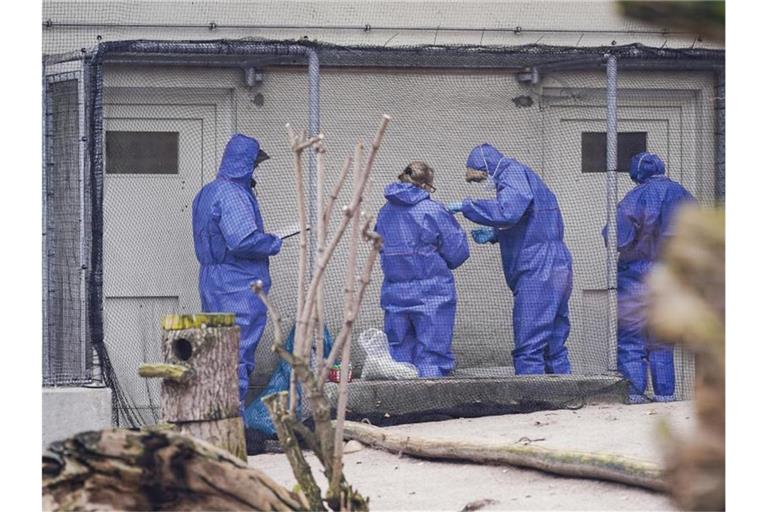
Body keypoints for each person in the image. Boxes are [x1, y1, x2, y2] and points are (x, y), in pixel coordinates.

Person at [447, 143, 572, 375]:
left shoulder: (511, 173)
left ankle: (533, 400)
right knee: (553, 342)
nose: (479, 185)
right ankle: (565, 396)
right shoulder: (526, 176)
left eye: (478, 179)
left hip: (538, 269)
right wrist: (497, 234)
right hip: (557, 264)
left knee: (529, 342)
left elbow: (509, 211)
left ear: (487, 168)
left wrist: (468, 207)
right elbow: (531, 220)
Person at [192, 133, 282, 407]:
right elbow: (242, 240)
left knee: (218, 350)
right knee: (236, 353)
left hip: (212, 280)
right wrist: (272, 242)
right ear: (246, 164)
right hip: (238, 284)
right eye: (254, 165)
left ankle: (215, 415)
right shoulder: (234, 195)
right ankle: (232, 422)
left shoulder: (207, 192)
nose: (256, 170)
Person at [604, 152, 696, 403]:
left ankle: (635, 396)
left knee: (632, 339)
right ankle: (666, 398)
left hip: (637, 274)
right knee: (663, 340)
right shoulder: (685, 197)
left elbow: (617, 238)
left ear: (638, 173)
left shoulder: (636, 196)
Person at [375, 161, 470, 378]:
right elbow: (458, 253)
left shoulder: (384, 212)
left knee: (399, 356)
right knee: (432, 357)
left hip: (395, 293)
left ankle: (402, 408)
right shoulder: (432, 210)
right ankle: (430, 407)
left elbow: (379, 246)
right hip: (432, 294)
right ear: (426, 185)